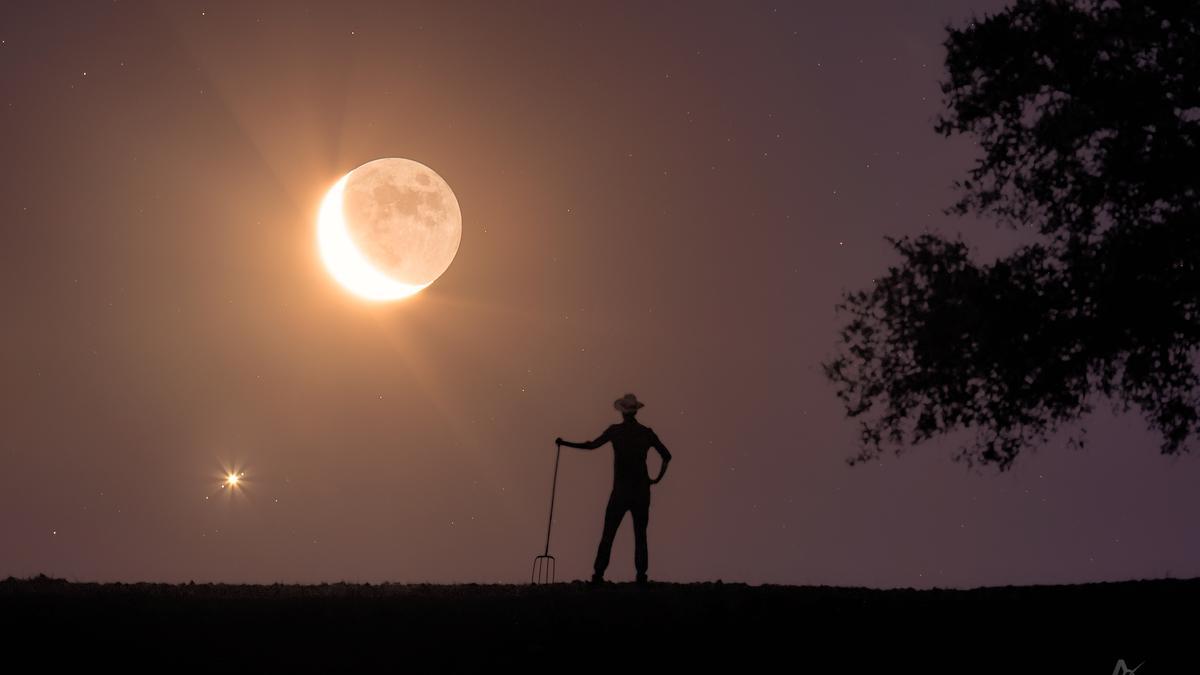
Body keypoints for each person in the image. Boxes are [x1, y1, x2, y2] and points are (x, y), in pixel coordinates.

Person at [556, 393, 671, 586]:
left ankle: (598, 574)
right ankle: (641, 576)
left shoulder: (616, 432)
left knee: (609, 532)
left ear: (622, 412)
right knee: (640, 534)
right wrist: (656, 479)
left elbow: (591, 446)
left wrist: (565, 443)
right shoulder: (646, 433)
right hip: (641, 492)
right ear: (635, 411)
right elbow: (667, 456)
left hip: (621, 492)